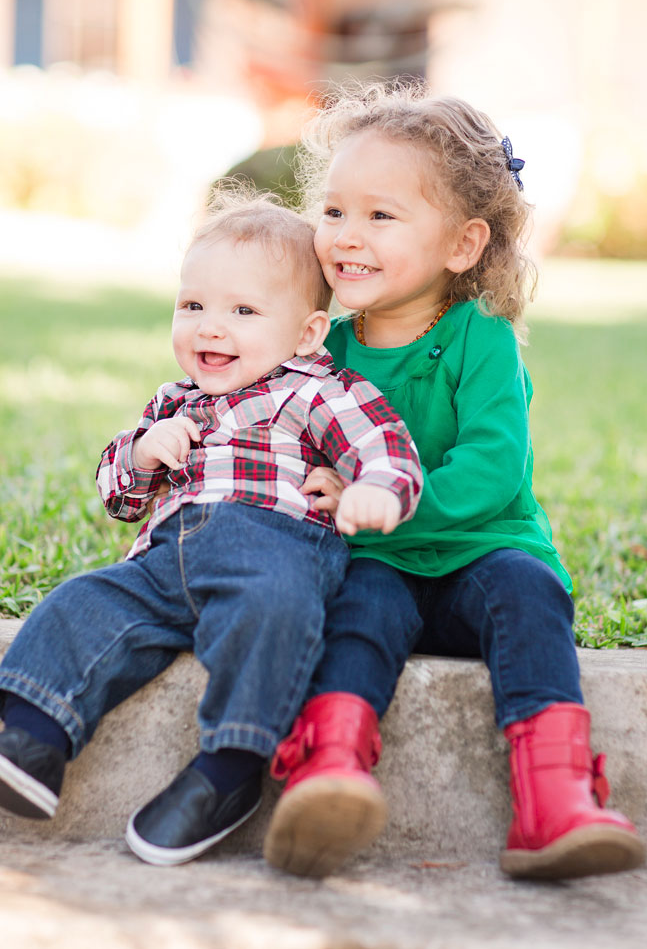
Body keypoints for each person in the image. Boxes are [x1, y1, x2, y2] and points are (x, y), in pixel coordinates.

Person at [262, 81, 646, 881]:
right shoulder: (318, 346)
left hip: (480, 551)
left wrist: (388, 501)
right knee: (354, 610)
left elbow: (492, 468)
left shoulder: (482, 340)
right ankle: (328, 768)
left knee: (530, 594)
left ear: (463, 245)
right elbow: (280, 448)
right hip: (378, 562)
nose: (345, 236)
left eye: (380, 215)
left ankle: (555, 800)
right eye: (333, 212)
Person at [0, 191, 422, 867]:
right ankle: (32, 732)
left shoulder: (314, 390)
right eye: (192, 306)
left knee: (275, 612)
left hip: (272, 548)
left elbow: (385, 446)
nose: (210, 329)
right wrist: (140, 451)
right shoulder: (174, 399)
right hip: (166, 560)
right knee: (85, 601)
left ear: (309, 333)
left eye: (243, 311)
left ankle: (229, 766)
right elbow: (119, 495)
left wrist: (376, 489)